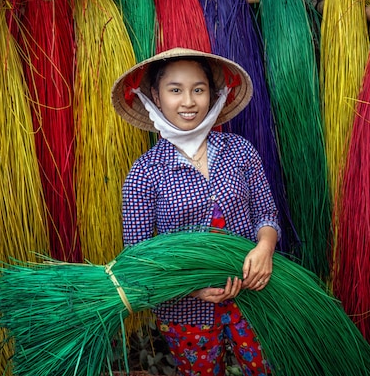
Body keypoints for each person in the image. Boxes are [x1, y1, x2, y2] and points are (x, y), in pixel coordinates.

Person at [111, 47, 279, 376]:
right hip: (185, 310)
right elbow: (138, 259)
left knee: (266, 368)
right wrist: (193, 286)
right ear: (156, 98)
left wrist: (265, 247)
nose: (188, 101)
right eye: (175, 90)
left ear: (212, 95)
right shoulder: (144, 174)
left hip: (254, 297)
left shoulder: (239, 151)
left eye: (198, 90)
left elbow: (266, 213)